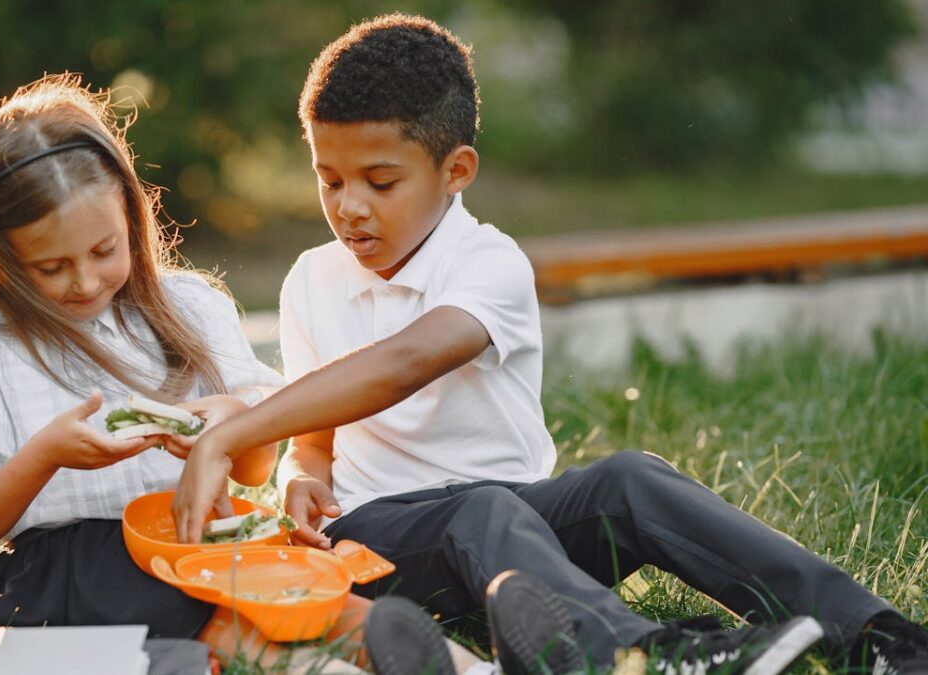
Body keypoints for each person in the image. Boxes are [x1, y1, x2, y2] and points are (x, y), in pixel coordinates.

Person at [171, 14, 928, 675]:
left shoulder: (489, 264)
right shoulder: (312, 279)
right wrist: (303, 469)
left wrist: (237, 429)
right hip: (379, 542)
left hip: (526, 534)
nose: (348, 207)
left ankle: (876, 635)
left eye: (379, 180)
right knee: (480, 510)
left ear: (455, 170)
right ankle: (643, 654)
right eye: (328, 179)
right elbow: (317, 439)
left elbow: (403, 363)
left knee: (633, 477)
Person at [0, 73, 491, 675]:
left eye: (104, 251)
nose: (85, 281)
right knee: (197, 606)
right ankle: (320, 668)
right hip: (79, 565)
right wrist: (46, 454)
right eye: (50, 267)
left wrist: (230, 423)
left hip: (204, 542)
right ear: (1, 256)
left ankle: (465, 667)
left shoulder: (187, 309)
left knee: (305, 593)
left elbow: (254, 470)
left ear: (132, 219)